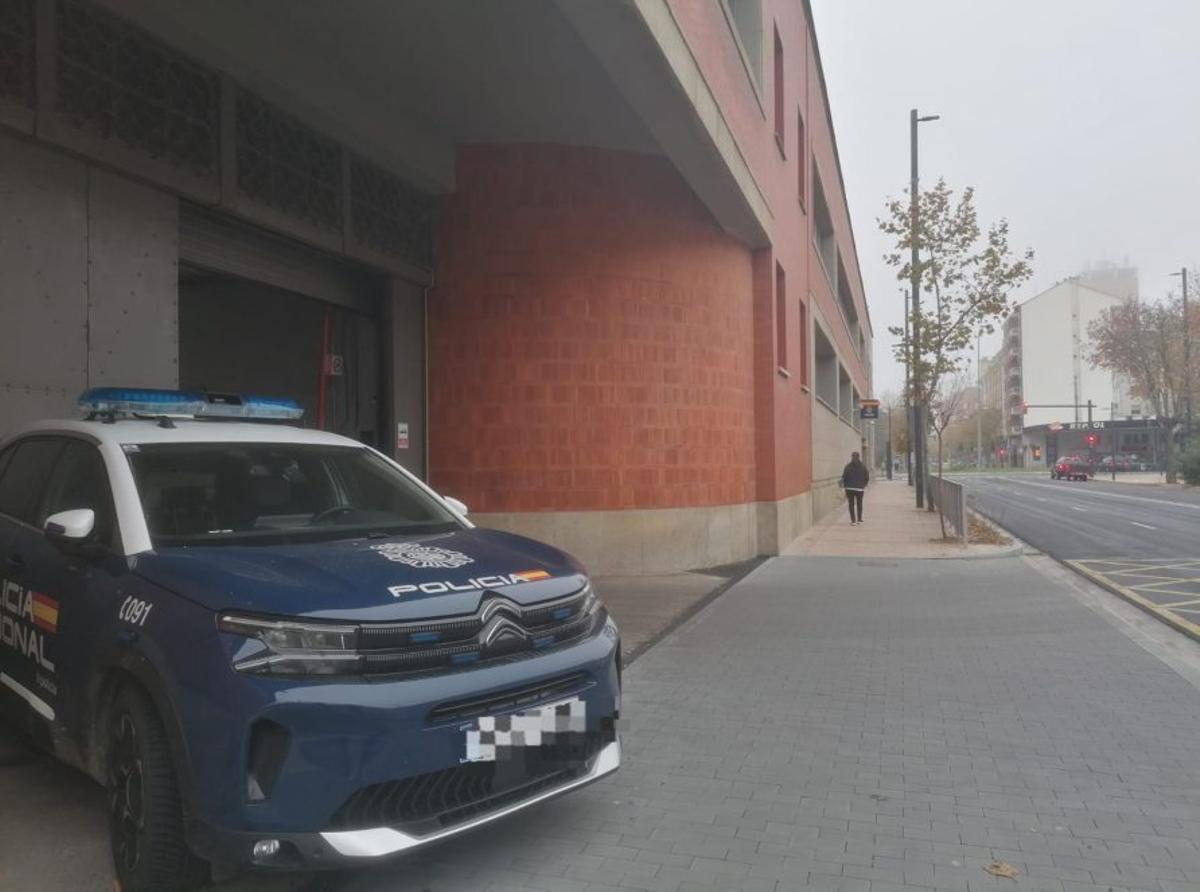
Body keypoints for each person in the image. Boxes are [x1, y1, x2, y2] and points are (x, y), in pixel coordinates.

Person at [841, 451, 869, 525]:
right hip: (860, 489)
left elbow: (844, 477)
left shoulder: (847, 466)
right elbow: (867, 477)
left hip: (849, 488)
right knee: (859, 503)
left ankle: (853, 521)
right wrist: (864, 485)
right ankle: (859, 519)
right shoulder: (863, 467)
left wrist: (845, 485)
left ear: (852, 457)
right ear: (859, 457)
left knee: (851, 504)